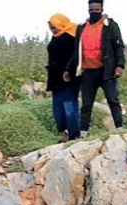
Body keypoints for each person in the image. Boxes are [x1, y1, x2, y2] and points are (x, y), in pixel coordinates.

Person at [63, 0, 125, 138]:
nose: (94, 12)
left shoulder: (111, 26)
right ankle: (83, 133)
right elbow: (76, 51)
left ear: (102, 9)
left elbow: (118, 46)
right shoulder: (82, 27)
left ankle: (120, 129)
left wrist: (119, 66)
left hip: (107, 71)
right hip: (88, 72)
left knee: (113, 101)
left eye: (97, 9)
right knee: (86, 105)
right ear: (88, 9)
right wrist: (69, 69)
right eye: (91, 9)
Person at [47, 14, 80, 143]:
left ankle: (74, 134)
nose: (53, 30)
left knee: (69, 105)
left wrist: (69, 71)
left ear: (61, 24)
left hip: (69, 78)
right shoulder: (56, 37)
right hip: (56, 78)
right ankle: (65, 133)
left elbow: (76, 57)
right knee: (58, 108)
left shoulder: (72, 36)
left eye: (54, 27)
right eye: (51, 28)